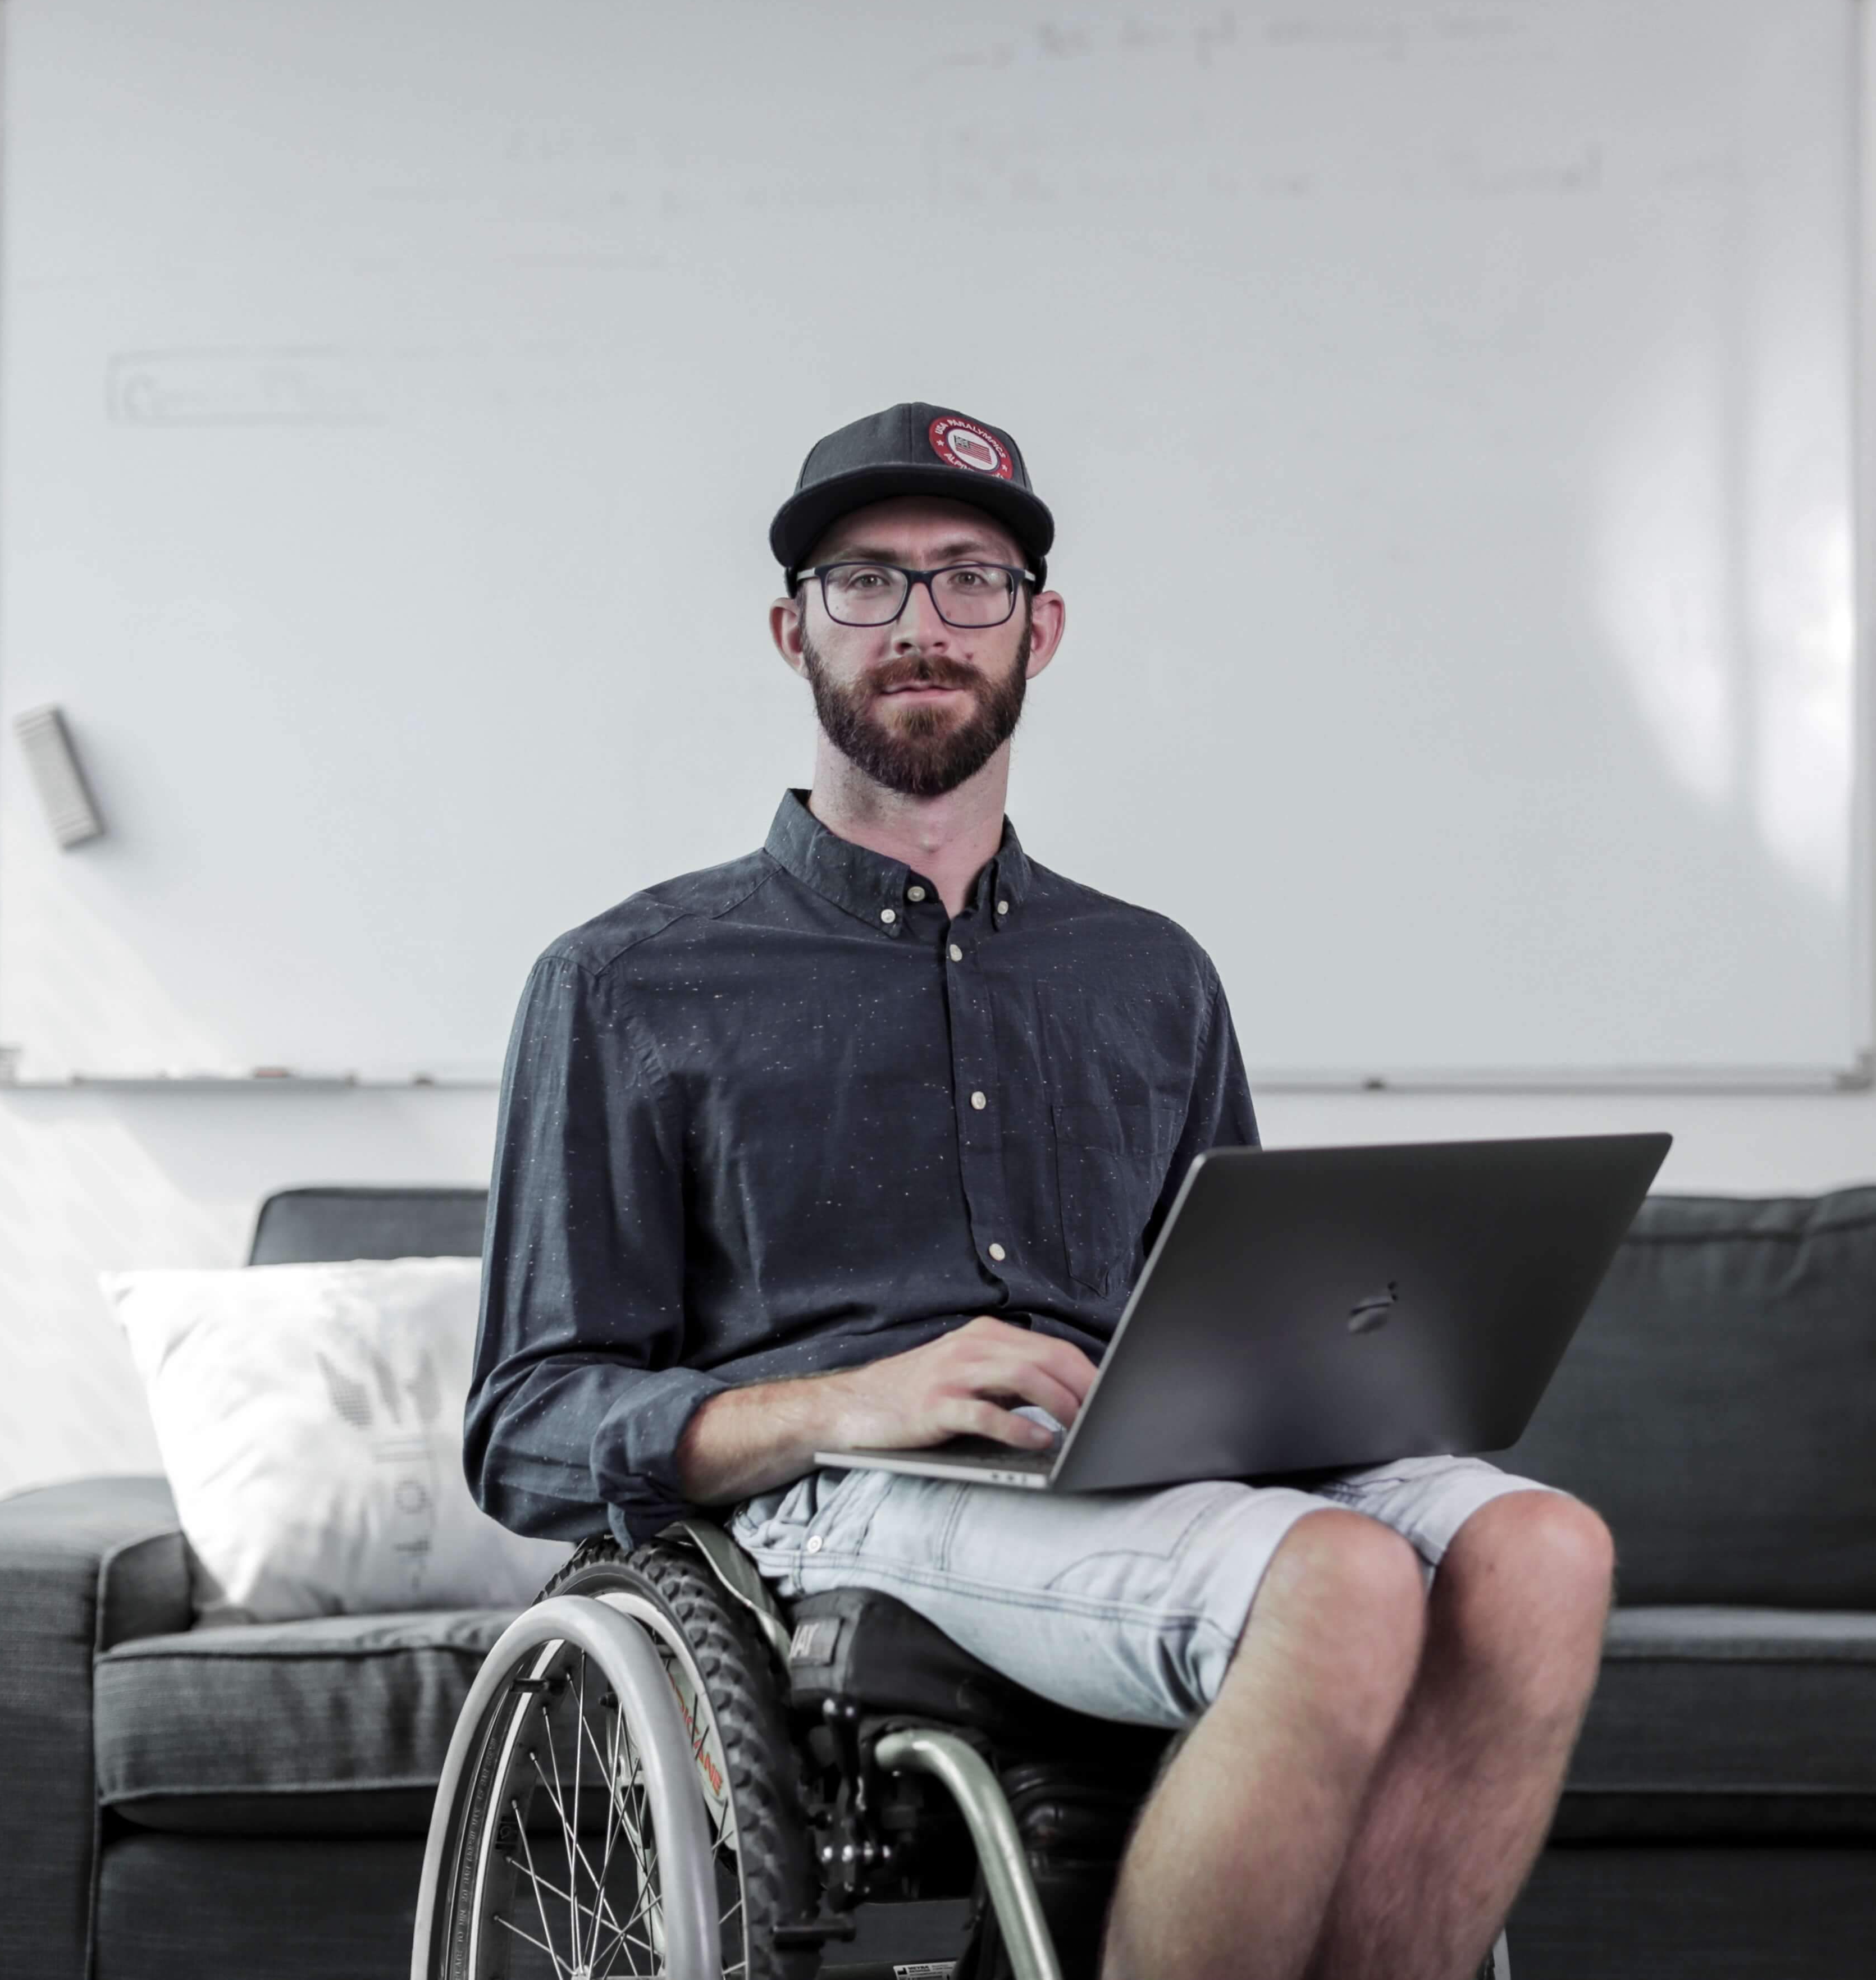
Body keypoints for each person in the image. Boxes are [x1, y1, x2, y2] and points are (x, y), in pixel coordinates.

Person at [465, 403, 1614, 1980]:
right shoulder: (623, 983)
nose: (921, 622)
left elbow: (1242, 1313)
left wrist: (1336, 1370)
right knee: (1337, 1577)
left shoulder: (1149, 973)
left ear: (1039, 630)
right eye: (866, 580)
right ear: (794, 630)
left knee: (1542, 1550)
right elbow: (527, 1424)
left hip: (1144, 1466)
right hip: (856, 1500)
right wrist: (851, 1400)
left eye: (970, 580)